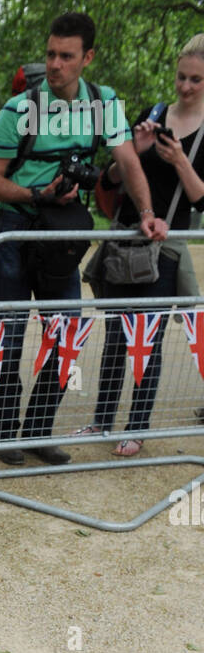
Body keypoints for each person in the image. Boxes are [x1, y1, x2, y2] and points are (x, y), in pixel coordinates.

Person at [0, 11, 168, 467]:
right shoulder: (19, 109)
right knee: (10, 330)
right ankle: (5, 436)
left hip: (64, 229)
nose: (56, 65)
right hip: (15, 225)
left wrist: (146, 213)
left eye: (66, 56)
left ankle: (39, 432)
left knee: (66, 330)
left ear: (88, 57)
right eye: (51, 54)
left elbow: (128, 162)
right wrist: (34, 193)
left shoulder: (104, 103)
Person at [82, 35, 204, 456]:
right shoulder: (152, 114)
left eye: (196, 80)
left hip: (165, 250)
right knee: (116, 335)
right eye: (181, 77)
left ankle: (136, 427)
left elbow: (201, 198)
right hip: (125, 239)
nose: (185, 87)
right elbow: (113, 179)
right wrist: (134, 149)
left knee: (145, 341)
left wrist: (179, 161)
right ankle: (101, 421)